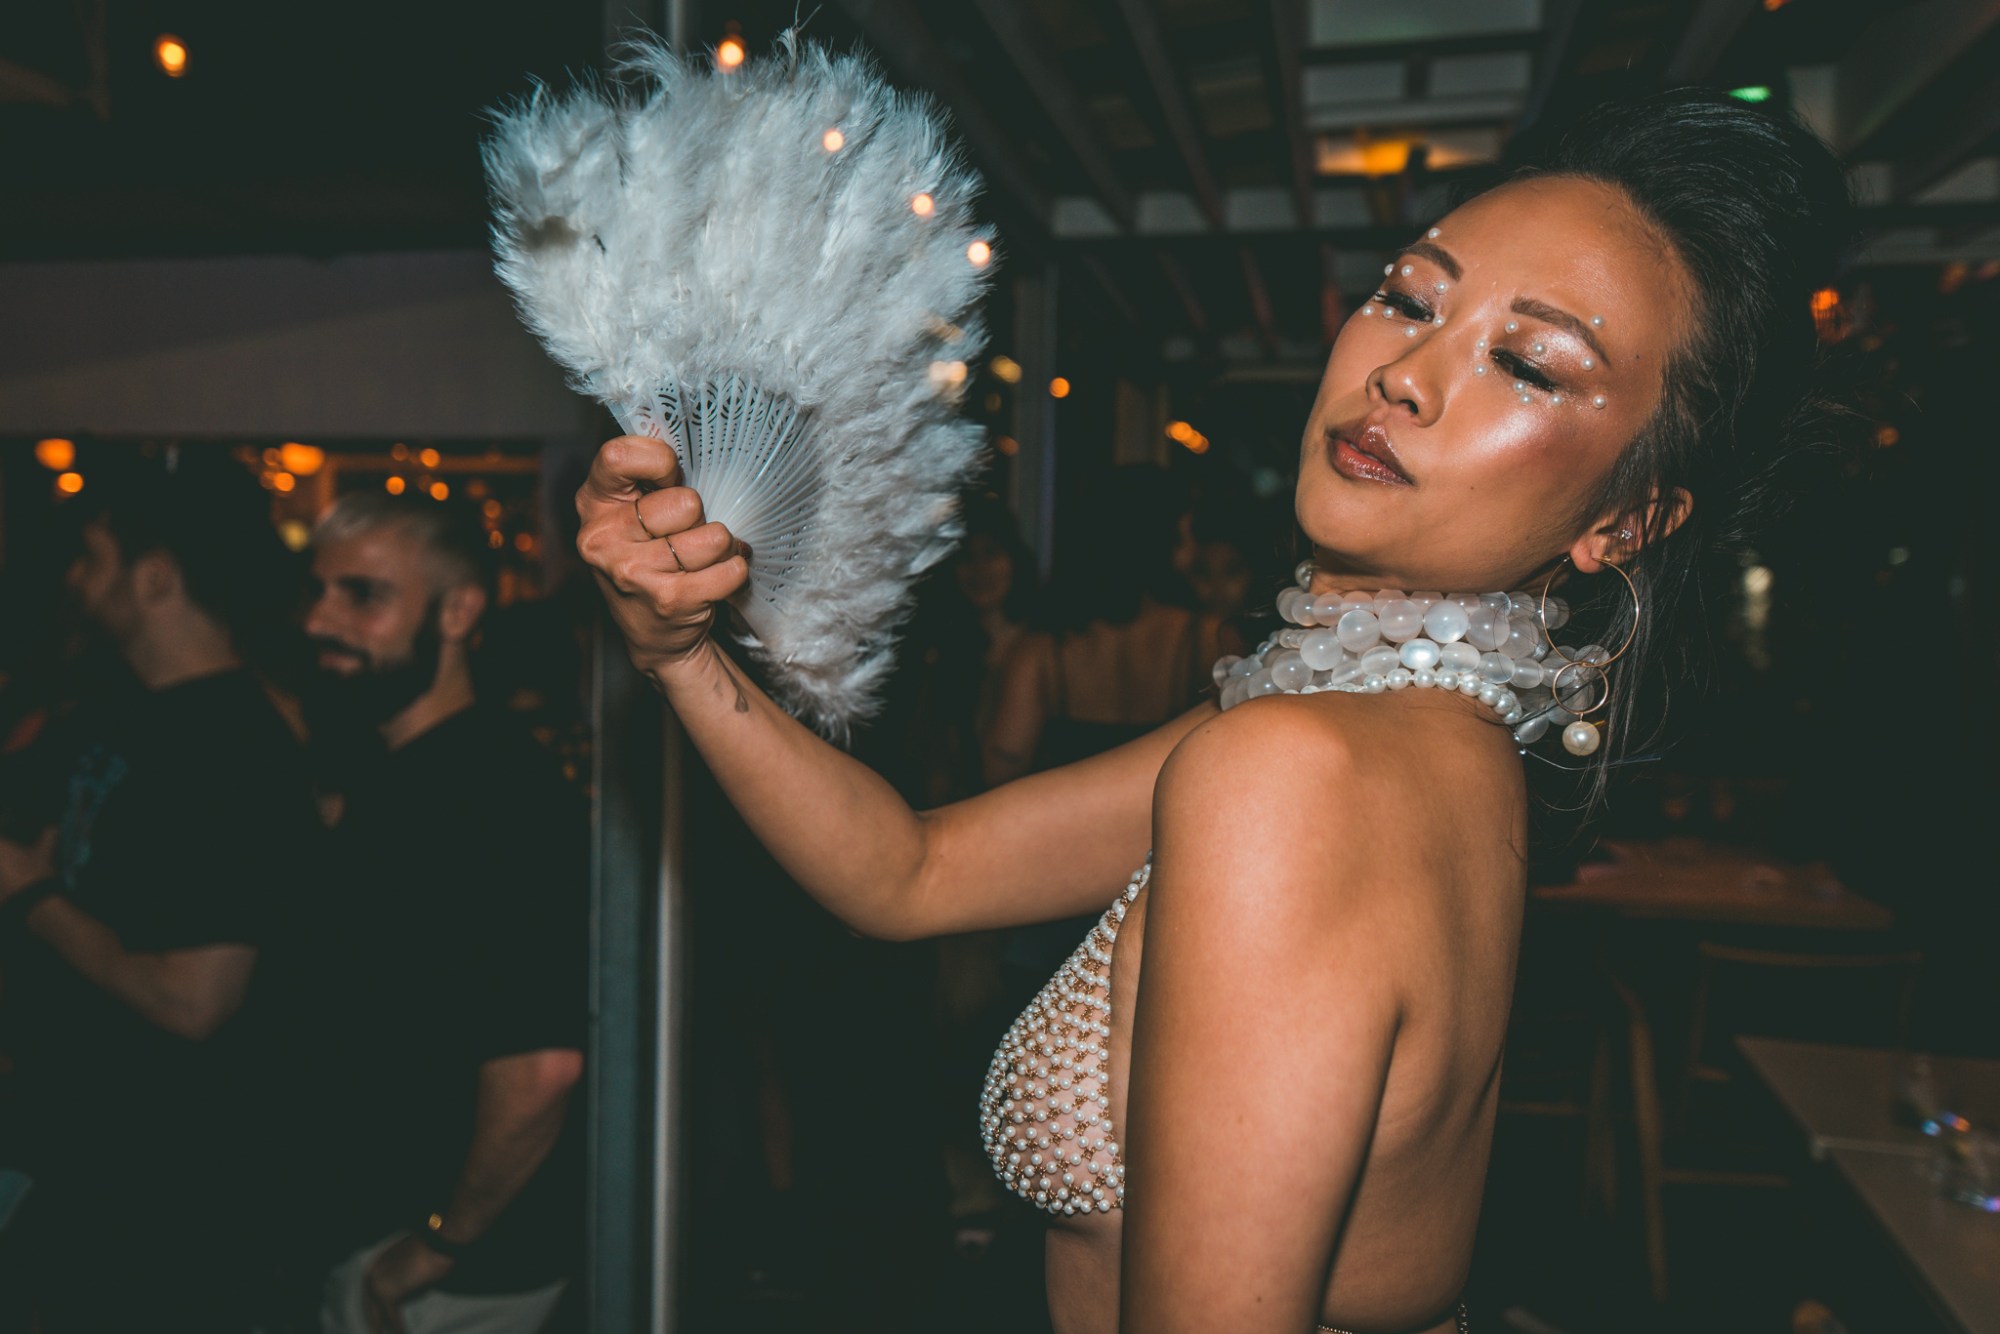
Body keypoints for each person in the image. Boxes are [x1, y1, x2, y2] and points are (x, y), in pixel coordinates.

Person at [574, 89, 1849, 1334]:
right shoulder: (1396, 738)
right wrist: (682, 655)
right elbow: (910, 869)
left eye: (1524, 362)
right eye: (1409, 297)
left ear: (1626, 519)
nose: (1404, 374)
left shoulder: (1299, 772)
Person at [0, 457, 316, 1333]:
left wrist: (31, 896)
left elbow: (193, 1000)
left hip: (174, 1194)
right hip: (85, 1159)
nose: (75, 579)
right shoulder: (121, 712)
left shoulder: (233, 748)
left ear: (155, 578)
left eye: (92, 558)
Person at [273, 492, 586, 1334]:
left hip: (448, 1278)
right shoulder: (393, 773)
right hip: (369, 1240)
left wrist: (440, 1245)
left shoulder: (497, 796)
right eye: (317, 591)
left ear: (458, 612)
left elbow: (540, 1068)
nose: (321, 620)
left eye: (364, 595)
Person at [982, 466, 1233, 788]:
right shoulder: (1207, 637)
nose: (1193, 547)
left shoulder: (1043, 650)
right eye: (1185, 532)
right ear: (1161, 537)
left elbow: (1001, 766)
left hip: (1072, 816)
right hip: (1166, 816)